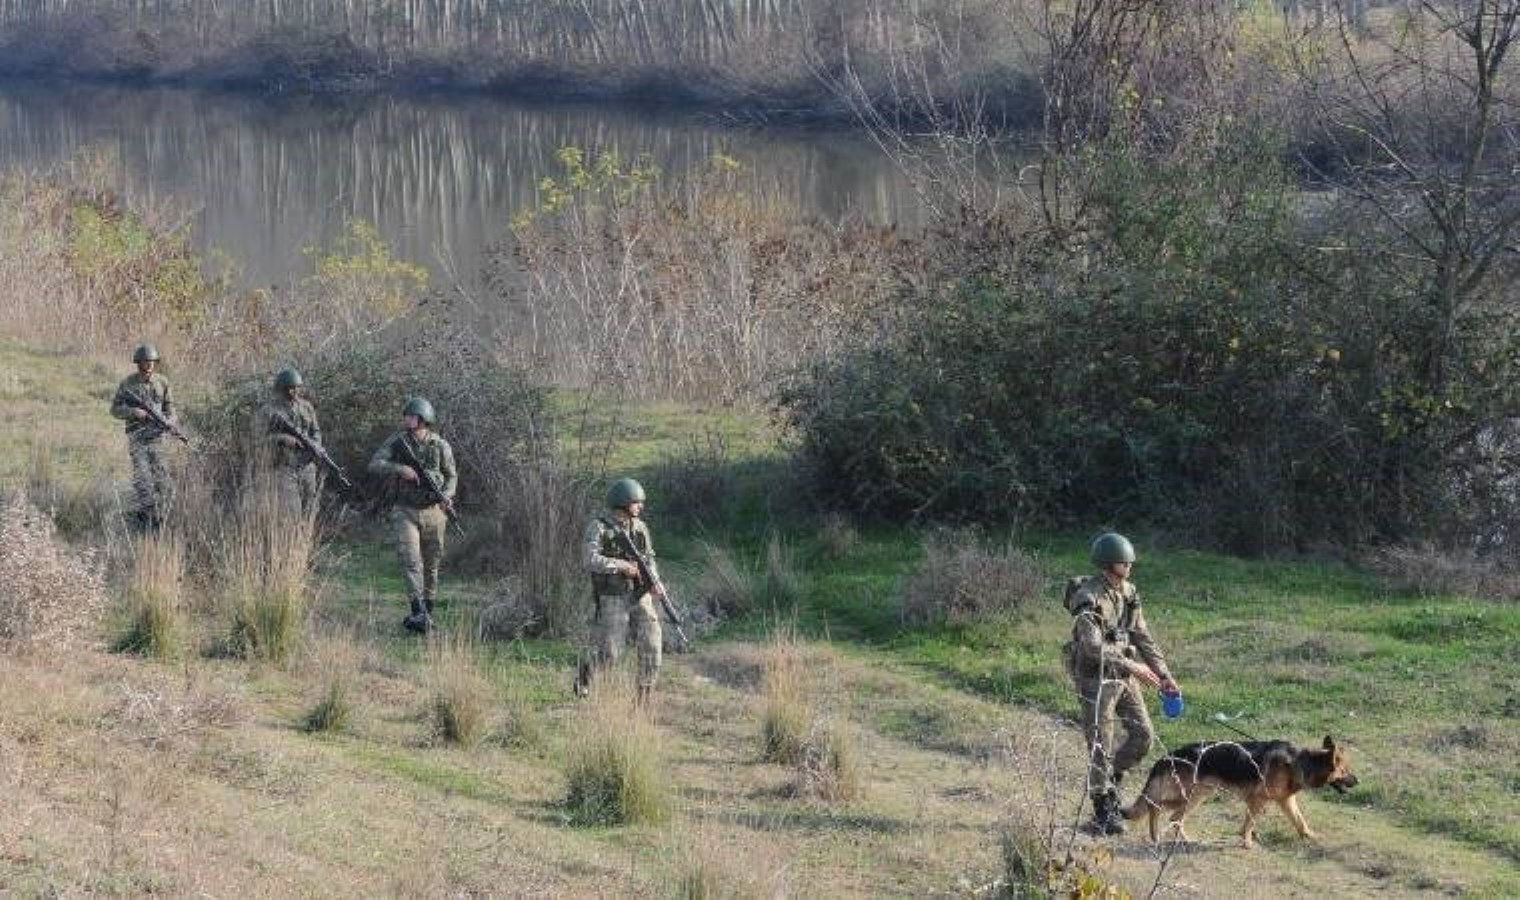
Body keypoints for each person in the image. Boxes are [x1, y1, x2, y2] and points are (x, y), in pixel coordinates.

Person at [1064, 532, 1181, 836]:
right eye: (1123, 561)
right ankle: (1102, 810)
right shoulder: (1087, 598)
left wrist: (1164, 675)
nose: (1129, 565)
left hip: (1124, 676)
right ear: (1108, 564)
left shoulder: (1128, 592)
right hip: (1096, 678)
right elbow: (1091, 647)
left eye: (1129, 561)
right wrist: (1132, 665)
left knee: (1143, 735)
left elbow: (1142, 636)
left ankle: (1111, 784)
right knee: (1100, 743)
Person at [367, 397, 456, 634]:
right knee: (411, 560)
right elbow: (375, 463)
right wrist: (400, 469)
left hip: (434, 512)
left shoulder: (440, 446)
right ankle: (417, 610)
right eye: (407, 416)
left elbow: (451, 476)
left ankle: (428, 611)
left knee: (432, 564)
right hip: (404, 510)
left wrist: (447, 495)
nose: (407, 419)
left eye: (411, 416)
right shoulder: (397, 442)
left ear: (423, 419)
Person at [577, 477, 664, 704]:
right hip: (613, 597)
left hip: (640, 594)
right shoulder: (599, 527)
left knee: (653, 643)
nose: (641, 506)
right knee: (612, 653)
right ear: (623, 502)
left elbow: (649, 558)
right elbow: (589, 559)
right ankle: (586, 673)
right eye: (637, 502)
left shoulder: (640, 528)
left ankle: (643, 700)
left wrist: (655, 580)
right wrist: (621, 566)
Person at [109, 343, 177, 531]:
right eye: (145, 362)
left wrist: (170, 423)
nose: (149, 365)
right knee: (143, 478)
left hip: (157, 438)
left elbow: (171, 410)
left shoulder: (163, 382)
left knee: (162, 478)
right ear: (138, 363)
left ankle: (161, 516)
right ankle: (145, 517)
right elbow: (114, 409)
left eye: (152, 362)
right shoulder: (128, 384)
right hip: (137, 438)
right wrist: (133, 412)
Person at [255, 367, 322, 518]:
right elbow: (257, 440)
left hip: (307, 467)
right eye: (290, 388)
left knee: (310, 510)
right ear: (281, 389)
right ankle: (291, 540)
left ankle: (305, 541)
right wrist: (282, 438)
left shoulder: (306, 407)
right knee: (292, 513)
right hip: (283, 468)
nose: (294, 392)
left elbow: (316, 431)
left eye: (296, 388)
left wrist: (316, 446)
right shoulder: (268, 411)